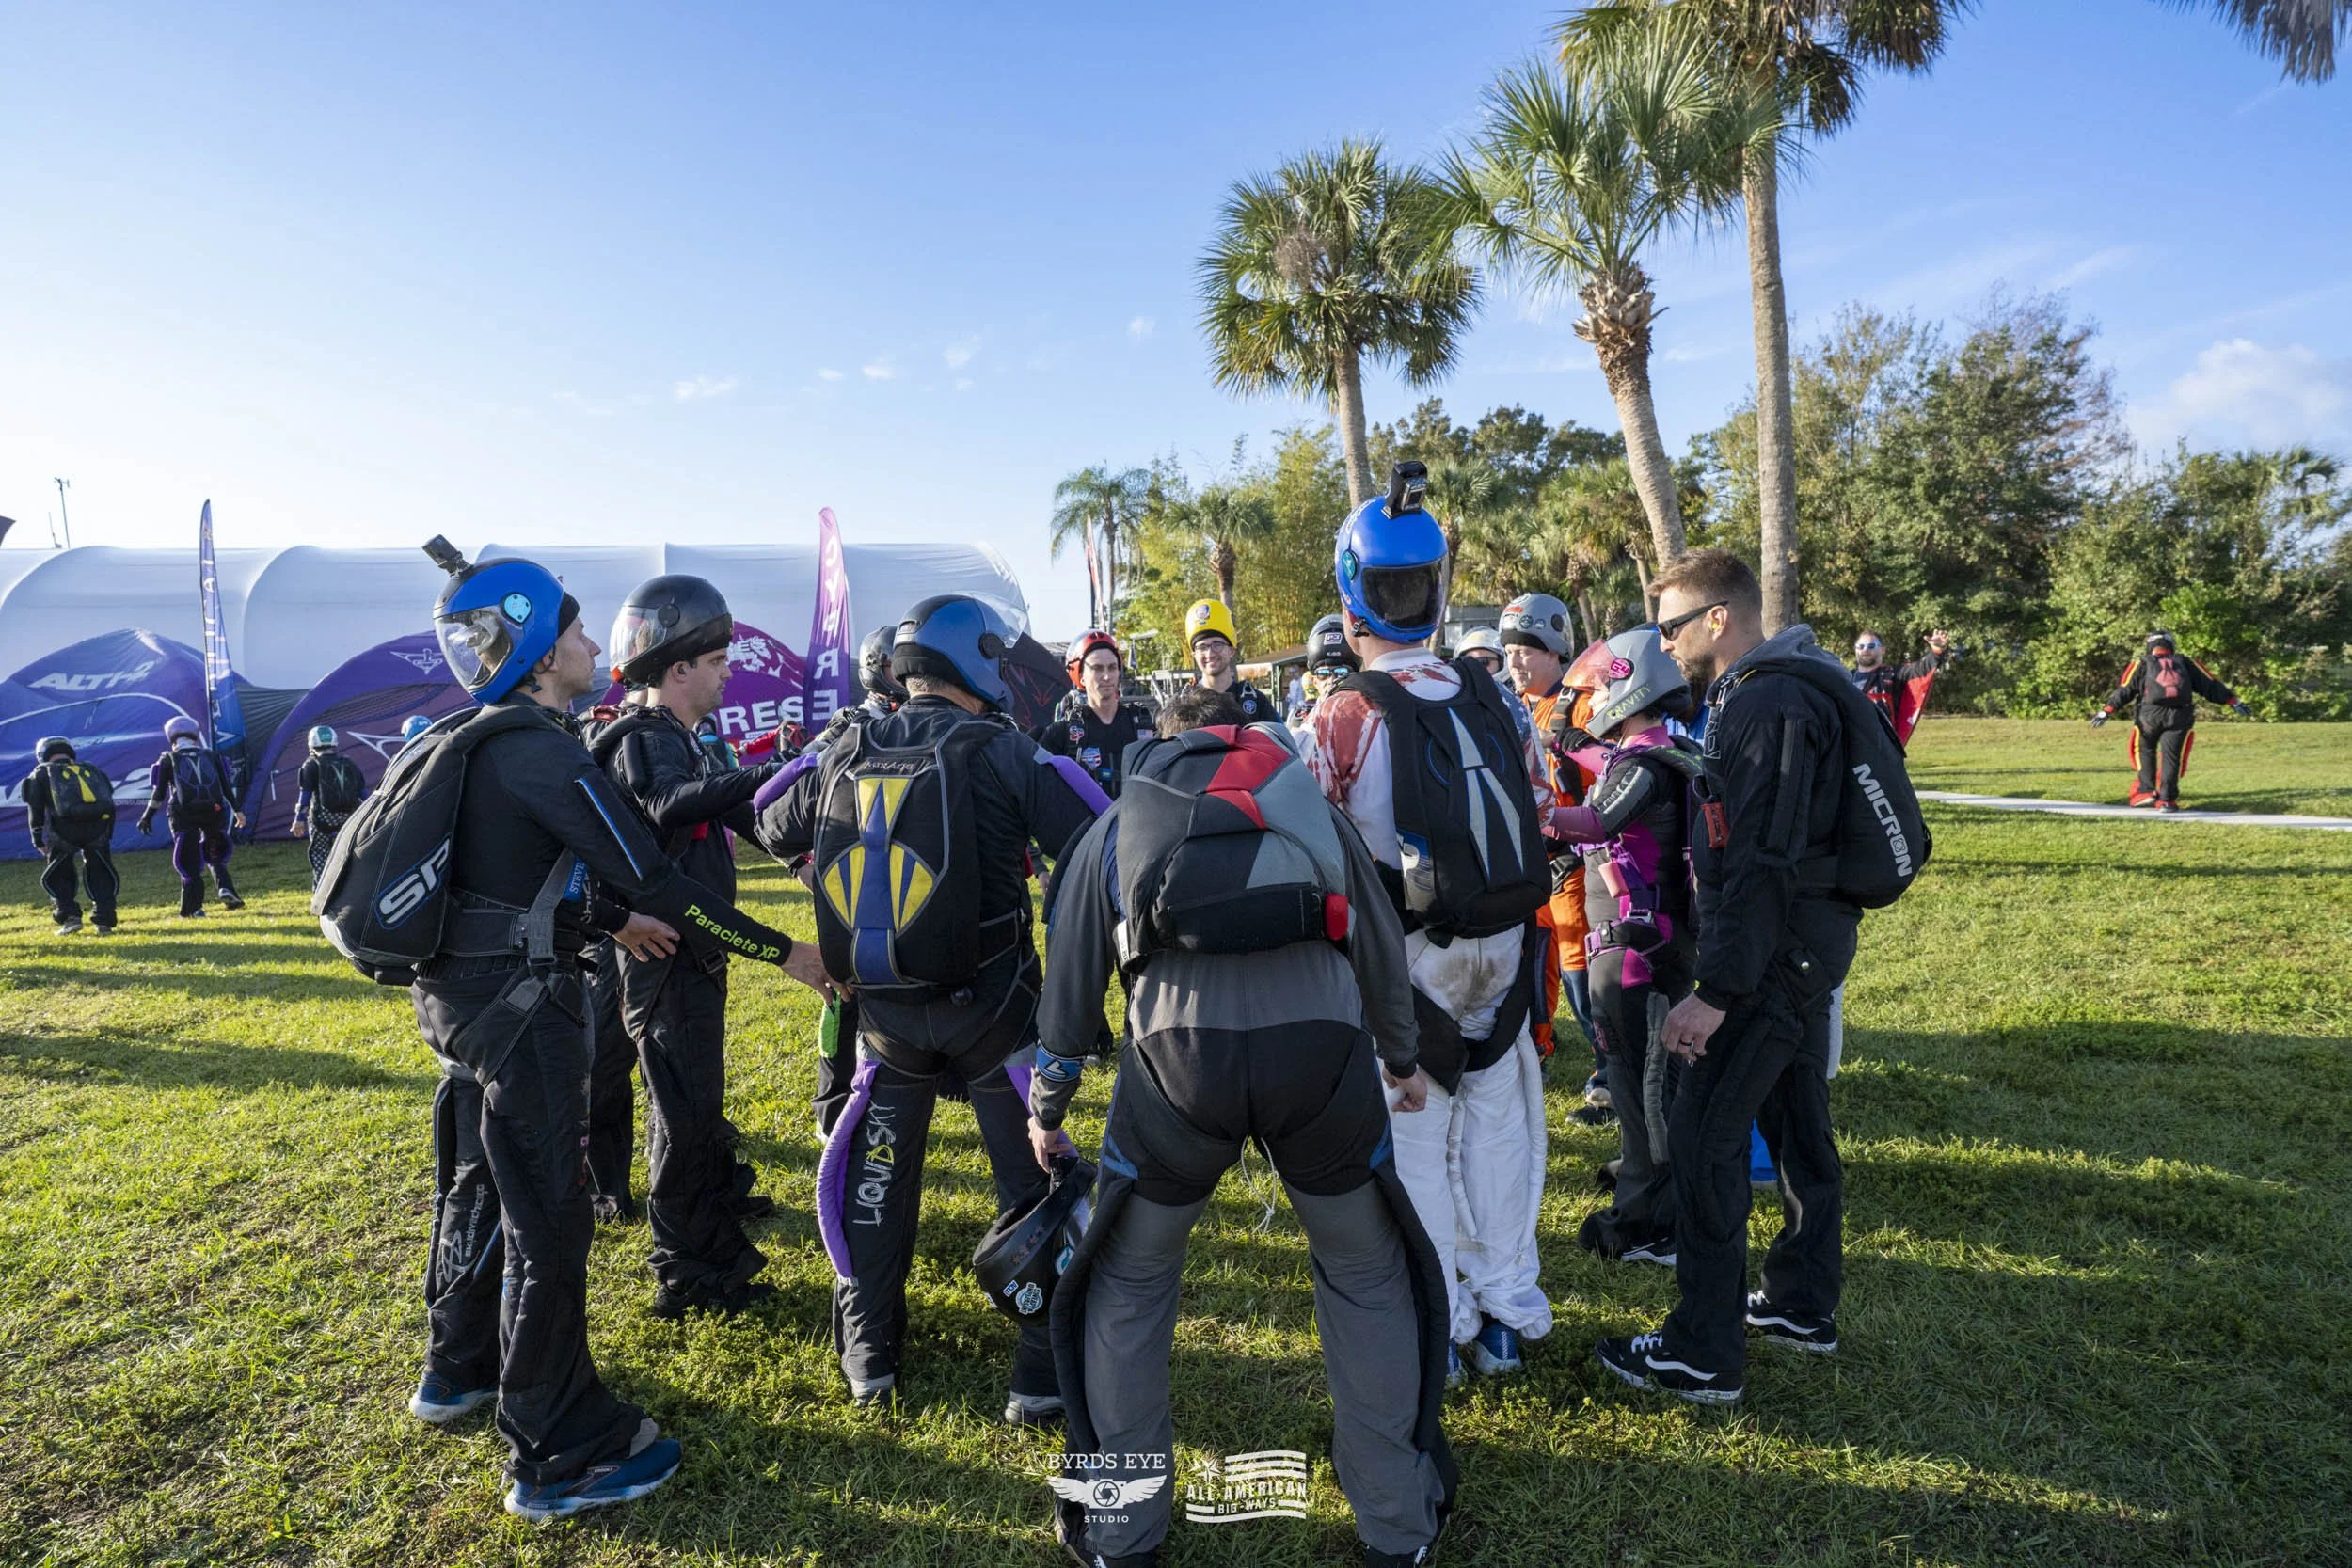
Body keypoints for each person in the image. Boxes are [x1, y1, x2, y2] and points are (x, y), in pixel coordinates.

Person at [406, 541, 829, 1521]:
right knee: (548, 1227)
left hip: (457, 1007)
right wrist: (787, 953)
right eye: (575, 630)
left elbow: (523, 879)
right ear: (536, 652)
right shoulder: (544, 748)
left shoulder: (481, 736)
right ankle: (557, 1447)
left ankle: (455, 1367)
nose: (596, 644)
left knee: (473, 1185)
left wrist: (607, 921)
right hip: (521, 1019)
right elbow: (658, 878)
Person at [1030, 685, 1455, 1568]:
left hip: (1176, 1071)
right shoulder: (1309, 807)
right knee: (1366, 1274)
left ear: (1167, 744)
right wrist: (1403, 1061)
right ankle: (1394, 1525)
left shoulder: (1117, 824)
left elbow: (1068, 1003)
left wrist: (1049, 1105)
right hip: (1323, 1061)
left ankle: (1123, 1529)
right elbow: (1378, 947)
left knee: (1132, 1283)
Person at [750, 594, 1104, 1418]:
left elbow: (767, 816)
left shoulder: (844, 741)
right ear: (973, 660)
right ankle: (1040, 1372)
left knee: (876, 1183)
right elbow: (1102, 828)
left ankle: (870, 1355)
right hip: (996, 1011)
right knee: (1033, 1186)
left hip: (886, 1020)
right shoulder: (1005, 749)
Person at [1305, 464, 1554, 1384]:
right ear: (1439, 585)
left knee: (1414, 1142)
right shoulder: (1493, 695)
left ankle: (1438, 1320)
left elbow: (1313, 846)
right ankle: (1503, 1312)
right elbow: (1538, 810)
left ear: (1351, 590)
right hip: (1505, 949)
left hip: (1403, 967)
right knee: (1497, 1135)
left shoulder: (1340, 715)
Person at [1596, 548, 1860, 1406]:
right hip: (1800, 951)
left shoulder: (1766, 701)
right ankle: (1800, 1302)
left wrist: (1714, 993)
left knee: (1706, 1136)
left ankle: (1702, 1352)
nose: (1662, 643)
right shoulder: (1774, 690)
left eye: (1670, 624)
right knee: (1795, 1124)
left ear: (1719, 618)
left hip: (1769, 965)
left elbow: (1758, 864)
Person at [592, 574, 787, 1316]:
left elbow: (723, 810)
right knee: (680, 1113)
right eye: (716, 661)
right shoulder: (642, 738)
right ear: (678, 670)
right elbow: (667, 804)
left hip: (692, 953)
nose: (727, 671)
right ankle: (687, 1272)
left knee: (698, 1106)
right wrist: (773, 769)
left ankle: (713, 1233)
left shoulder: (678, 737)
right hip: (662, 960)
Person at [1542, 629, 1707, 1268]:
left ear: (1629, 686)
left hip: (1642, 954)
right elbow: (1577, 749)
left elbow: (1596, 820)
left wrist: (1534, 818)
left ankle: (1650, 1221)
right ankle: (1645, 1187)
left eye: (1604, 688)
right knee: (1634, 1080)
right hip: (1635, 949)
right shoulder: (1649, 754)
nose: (1595, 701)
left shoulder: (1644, 764)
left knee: (1647, 1091)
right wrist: (1563, 720)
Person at [1497, 594, 1599, 1101]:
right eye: (1510, 649)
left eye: (1527, 649)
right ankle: (1538, 1050)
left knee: (1581, 971)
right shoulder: (1510, 707)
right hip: (1528, 869)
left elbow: (1603, 792)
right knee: (1535, 970)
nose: (1515, 660)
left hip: (1573, 865)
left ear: (1555, 649)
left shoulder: (1582, 706)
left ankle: (1609, 1074)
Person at [2093, 630, 2249, 810]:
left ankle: (2145, 791)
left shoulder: (2142, 663)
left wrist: (2107, 710)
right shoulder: (2185, 662)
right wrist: (2232, 701)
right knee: (2172, 757)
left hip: (2148, 716)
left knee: (2145, 750)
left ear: (2150, 646)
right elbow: (2210, 685)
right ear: (2171, 645)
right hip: (2180, 716)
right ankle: (2167, 800)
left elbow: (2125, 689)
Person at [135, 716, 246, 917]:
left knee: (189, 861)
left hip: (182, 813)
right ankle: (226, 889)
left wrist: (146, 817)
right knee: (214, 852)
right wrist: (238, 810)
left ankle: (193, 908)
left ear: (171, 737)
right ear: (195, 734)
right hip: (213, 810)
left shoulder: (168, 758)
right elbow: (226, 786)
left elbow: (159, 793)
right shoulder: (211, 755)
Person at [1034, 628, 1152, 800]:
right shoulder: (1064, 733)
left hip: (1137, 821)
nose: (1107, 676)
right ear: (1080, 675)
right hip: (1086, 824)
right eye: (1097, 669)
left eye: (1112, 668)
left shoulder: (1143, 724)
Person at [21, 736, 119, 936]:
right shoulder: (91, 770)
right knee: (101, 874)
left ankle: (69, 917)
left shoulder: (40, 774)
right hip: (97, 830)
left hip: (62, 832)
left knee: (59, 875)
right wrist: (108, 832)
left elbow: (36, 810)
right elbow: (109, 801)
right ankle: (105, 920)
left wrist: (37, 839)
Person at [292, 725, 370, 887]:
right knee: (348, 854)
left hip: (322, 819)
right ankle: (351, 887)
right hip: (349, 817)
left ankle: (322, 889)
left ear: (311, 744)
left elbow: (305, 795)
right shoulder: (348, 763)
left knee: (320, 853)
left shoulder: (311, 765)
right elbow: (363, 793)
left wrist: (298, 819)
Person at [1848, 629, 1949, 748]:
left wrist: (1936, 651)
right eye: (1860, 646)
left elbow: (1922, 668)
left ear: (1882, 650)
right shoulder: (1844, 679)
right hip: (1849, 747)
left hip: (1882, 749)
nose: (1865, 650)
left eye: (1871, 646)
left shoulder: (1893, 674)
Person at [1182, 598, 1275, 721]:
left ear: (1231, 651)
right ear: (1194, 654)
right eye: (1202, 647)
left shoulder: (1256, 702)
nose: (1210, 654)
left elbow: (1281, 739)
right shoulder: (1182, 705)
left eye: (1217, 645)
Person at [1454, 626, 1534, 747]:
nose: (1474, 668)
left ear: (1503, 663)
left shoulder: (1519, 707)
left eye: (1483, 662)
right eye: (1466, 662)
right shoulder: (1452, 707)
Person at [1286, 612, 1359, 733]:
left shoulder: (1372, 716)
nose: (1332, 680)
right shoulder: (1300, 721)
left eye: (1342, 673)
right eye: (1323, 674)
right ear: (1314, 681)